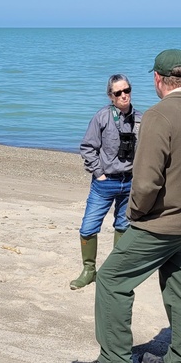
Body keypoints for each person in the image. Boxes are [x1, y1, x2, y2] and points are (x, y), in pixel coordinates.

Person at [69, 49, 181, 363]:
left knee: (111, 280)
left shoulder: (158, 116)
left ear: (158, 79)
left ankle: (115, 362)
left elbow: (147, 179)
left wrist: (136, 213)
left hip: (163, 223)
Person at [70, 74, 142, 290]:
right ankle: (89, 270)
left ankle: (115, 272)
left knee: (123, 225)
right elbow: (87, 147)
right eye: (118, 92)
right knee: (88, 228)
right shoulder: (102, 117)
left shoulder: (140, 119)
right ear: (111, 96)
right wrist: (99, 173)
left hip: (129, 183)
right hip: (104, 183)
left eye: (126, 90)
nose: (124, 95)